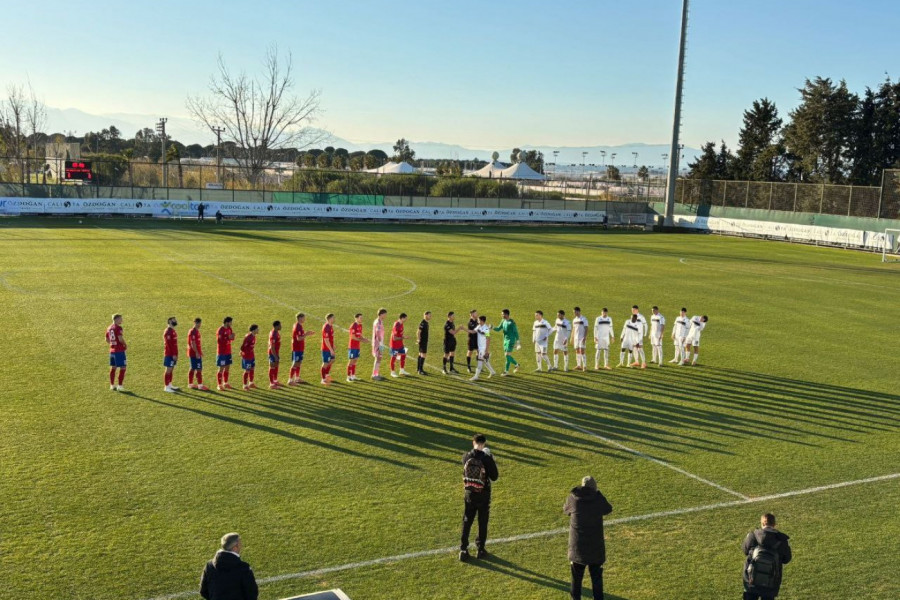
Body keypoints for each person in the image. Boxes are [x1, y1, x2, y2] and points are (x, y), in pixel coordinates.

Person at [564, 476, 613, 600]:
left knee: (576, 579)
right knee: (596, 579)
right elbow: (608, 509)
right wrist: (598, 494)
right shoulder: (598, 500)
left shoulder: (573, 498)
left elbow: (566, 510)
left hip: (577, 546)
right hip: (595, 547)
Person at [459, 433, 499, 562]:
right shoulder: (486, 459)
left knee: (467, 520)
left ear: (473, 442)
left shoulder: (466, 456)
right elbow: (494, 477)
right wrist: (491, 459)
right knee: (482, 521)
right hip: (483, 494)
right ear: (484, 443)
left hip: (469, 493)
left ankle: (463, 549)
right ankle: (480, 549)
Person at [741, 513, 792, 600]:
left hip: (751, 579)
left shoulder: (753, 535)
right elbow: (787, 559)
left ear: (762, 523)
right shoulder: (781, 539)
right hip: (771, 581)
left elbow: (745, 550)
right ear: (774, 524)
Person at [199, 532, 258, 600]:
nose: (241, 546)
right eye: (240, 543)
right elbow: (251, 594)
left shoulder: (209, 565)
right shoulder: (243, 568)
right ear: (235, 547)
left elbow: (203, 591)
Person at [493, 308, 520, 376]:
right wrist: (492, 327)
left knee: (507, 355)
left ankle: (508, 370)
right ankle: (515, 366)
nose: (501, 315)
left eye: (503, 314)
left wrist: (518, 342)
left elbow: (516, 332)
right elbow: (498, 329)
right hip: (505, 341)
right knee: (508, 356)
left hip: (511, 341)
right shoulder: (503, 321)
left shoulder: (511, 323)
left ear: (507, 315)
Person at [289, 312, 313, 385]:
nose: (304, 319)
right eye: (303, 318)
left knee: (299, 363)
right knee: (295, 363)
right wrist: (307, 334)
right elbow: (299, 338)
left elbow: (299, 335)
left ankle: (297, 378)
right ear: (300, 318)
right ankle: (290, 380)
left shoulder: (298, 325)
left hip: (299, 347)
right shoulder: (298, 326)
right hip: (297, 348)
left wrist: (306, 333)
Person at [469, 315, 496, 381]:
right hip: (480, 348)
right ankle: (492, 372)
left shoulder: (486, 329)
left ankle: (476, 376)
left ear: (482, 321)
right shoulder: (479, 326)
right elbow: (473, 331)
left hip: (483, 349)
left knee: (480, 362)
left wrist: (486, 350)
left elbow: (488, 339)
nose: (477, 321)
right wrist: (463, 329)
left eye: (478, 320)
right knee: (485, 361)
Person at [106, 313, 127, 391]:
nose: (121, 320)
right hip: (119, 351)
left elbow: (106, 339)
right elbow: (120, 339)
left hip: (112, 351)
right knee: (123, 367)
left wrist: (112, 344)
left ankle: (112, 385)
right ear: (116, 319)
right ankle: (120, 386)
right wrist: (125, 344)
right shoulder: (118, 328)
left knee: (113, 367)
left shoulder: (109, 328)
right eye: (120, 319)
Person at [188, 317, 209, 390]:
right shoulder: (192, 331)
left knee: (193, 368)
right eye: (197, 323)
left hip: (196, 353)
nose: (199, 325)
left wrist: (200, 352)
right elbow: (192, 343)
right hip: (194, 353)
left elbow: (197, 343)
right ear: (194, 323)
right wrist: (197, 352)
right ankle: (199, 385)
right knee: (197, 368)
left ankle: (191, 384)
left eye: (199, 323)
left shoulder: (196, 331)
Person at [347, 313, 368, 381]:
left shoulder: (360, 325)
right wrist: (362, 340)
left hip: (357, 346)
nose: (361, 319)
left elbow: (360, 335)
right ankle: (348, 377)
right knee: (351, 361)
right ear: (356, 318)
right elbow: (353, 337)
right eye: (360, 318)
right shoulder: (353, 325)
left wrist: (364, 339)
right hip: (352, 347)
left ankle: (353, 376)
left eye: (362, 318)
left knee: (355, 361)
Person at [216, 317, 236, 391]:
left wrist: (232, 337)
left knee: (227, 367)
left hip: (228, 351)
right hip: (222, 352)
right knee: (221, 368)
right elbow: (219, 341)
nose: (231, 324)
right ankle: (219, 385)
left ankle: (225, 383)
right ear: (226, 322)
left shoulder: (229, 329)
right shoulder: (220, 330)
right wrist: (228, 337)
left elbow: (231, 338)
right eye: (230, 322)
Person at [389, 313, 410, 378]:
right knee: (394, 358)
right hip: (394, 345)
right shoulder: (396, 325)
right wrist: (403, 338)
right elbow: (394, 338)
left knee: (403, 356)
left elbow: (400, 334)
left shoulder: (401, 324)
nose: (406, 319)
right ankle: (392, 372)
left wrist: (403, 337)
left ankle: (402, 370)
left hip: (400, 344)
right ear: (402, 318)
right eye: (405, 318)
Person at [163, 317, 180, 392]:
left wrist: (176, 354)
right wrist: (173, 354)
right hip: (169, 354)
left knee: (172, 369)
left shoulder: (172, 331)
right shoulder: (168, 332)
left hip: (173, 354)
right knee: (168, 370)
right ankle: (166, 387)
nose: (175, 321)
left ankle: (169, 384)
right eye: (174, 320)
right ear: (170, 321)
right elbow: (169, 345)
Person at [371, 308, 388, 381]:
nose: (386, 316)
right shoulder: (378, 322)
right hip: (378, 343)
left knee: (379, 358)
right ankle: (374, 375)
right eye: (385, 314)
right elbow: (377, 333)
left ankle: (376, 373)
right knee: (377, 358)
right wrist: (380, 342)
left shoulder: (380, 321)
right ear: (381, 314)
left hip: (380, 343)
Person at [240, 325, 258, 391]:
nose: (258, 330)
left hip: (252, 355)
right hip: (247, 357)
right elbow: (242, 347)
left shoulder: (254, 336)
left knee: (252, 368)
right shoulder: (248, 337)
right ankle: (244, 385)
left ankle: (251, 383)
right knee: (247, 370)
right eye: (257, 329)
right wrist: (243, 353)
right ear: (253, 330)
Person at [321, 313, 336, 385]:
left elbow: (331, 337)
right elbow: (326, 340)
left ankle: (327, 375)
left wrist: (333, 345)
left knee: (332, 360)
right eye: (333, 318)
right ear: (329, 319)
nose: (334, 319)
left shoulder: (331, 326)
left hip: (330, 347)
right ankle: (323, 379)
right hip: (326, 349)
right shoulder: (326, 327)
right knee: (325, 363)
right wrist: (331, 349)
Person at [572, 307, 589, 371]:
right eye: (574, 312)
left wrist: (585, 337)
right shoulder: (574, 320)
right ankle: (578, 365)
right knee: (577, 351)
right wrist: (572, 337)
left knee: (582, 351)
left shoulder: (584, 319)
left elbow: (586, 328)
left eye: (575, 312)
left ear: (578, 311)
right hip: (576, 338)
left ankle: (584, 366)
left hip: (582, 338)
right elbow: (574, 329)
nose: (574, 313)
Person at [416, 311, 432, 375]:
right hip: (423, 341)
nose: (430, 316)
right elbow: (418, 332)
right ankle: (420, 370)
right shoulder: (423, 323)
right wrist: (419, 339)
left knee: (420, 354)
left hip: (424, 341)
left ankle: (418, 369)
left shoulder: (426, 323)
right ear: (426, 315)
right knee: (423, 354)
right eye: (429, 315)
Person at [267, 320, 282, 389]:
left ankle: (275, 381)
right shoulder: (273, 334)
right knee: (272, 367)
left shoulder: (276, 332)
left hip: (276, 352)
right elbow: (272, 347)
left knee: (276, 366)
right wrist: (275, 356)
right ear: (276, 326)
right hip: (272, 353)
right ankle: (271, 384)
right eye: (280, 325)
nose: (281, 326)